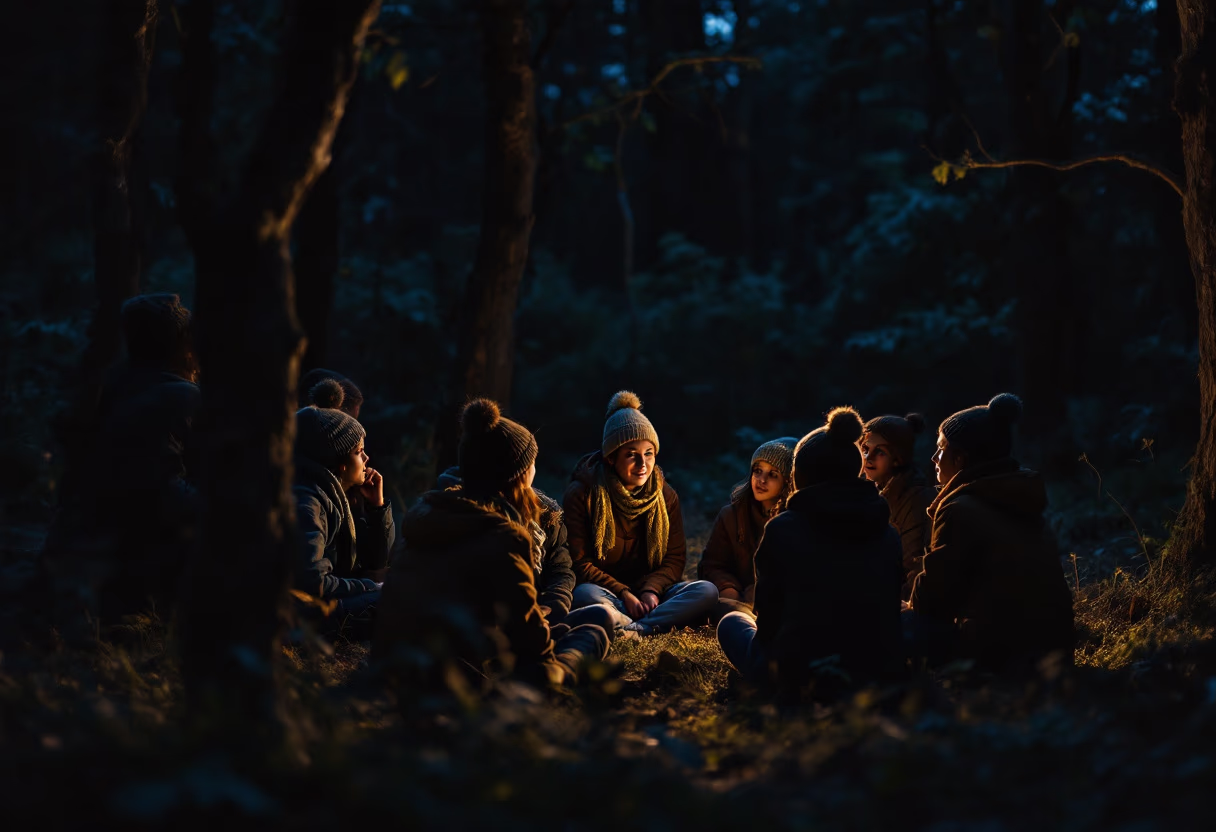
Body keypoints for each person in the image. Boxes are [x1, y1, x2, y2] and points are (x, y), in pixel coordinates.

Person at [374, 399, 612, 689]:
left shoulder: (425, 517)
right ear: (520, 474)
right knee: (596, 624)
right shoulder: (503, 536)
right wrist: (546, 638)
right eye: (531, 462)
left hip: (404, 664)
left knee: (586, 616)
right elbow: (531, 647)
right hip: (467, 676)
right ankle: (551, 689)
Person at [717, 407, 904, 695]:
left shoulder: (783, 529)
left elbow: (768, 620)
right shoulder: (887, 533)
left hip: (798, 672)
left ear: (800, 476)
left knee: (731, 623)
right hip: (871, 671)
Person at [46, 293, 202, 626]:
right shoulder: (184, 396)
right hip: (141, 550)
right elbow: (163, 492)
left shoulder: (108, 385)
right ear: (182, 342)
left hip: (87, 542)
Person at [907, 393, 1074, 671]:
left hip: (1002, 655)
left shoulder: (960, 510)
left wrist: (908, 605)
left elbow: (933, 599)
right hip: (1055, 650)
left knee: (896, 623)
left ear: (960, 458)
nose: (934, 458)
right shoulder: (1017, 497)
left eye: (941, 449)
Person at [564, 391, 718, 635]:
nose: (643, 464)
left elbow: (674, 558)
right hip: (607, 593)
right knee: (584, 594)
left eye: (648, 453)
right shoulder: (583, 494)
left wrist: (651, 590)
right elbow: (579, 563)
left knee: (706, 591)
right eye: (631, 455)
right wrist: (624, 593)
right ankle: (641, 623)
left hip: (649, 596)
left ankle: (633, 628)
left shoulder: (666, 496)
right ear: (612, 458)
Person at [293, 379, 393, 629]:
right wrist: (370, 587)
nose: (367, 458)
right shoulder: (308, 501)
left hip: (314, 609)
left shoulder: (331, 494)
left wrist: (377, 508)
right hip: (302, 619)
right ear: (340, 463)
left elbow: (375, 563)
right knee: (398, 601)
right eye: (359, 451)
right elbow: (313, 583)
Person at [433, 465, 579, 626]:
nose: (532, 470)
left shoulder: (546, 513)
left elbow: (560, 568)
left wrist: (556, 601)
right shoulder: (469, 511)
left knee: (598, 615)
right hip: (491, 622)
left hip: (539, 612)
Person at [700, 437, 799, 620]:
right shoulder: (731, 515)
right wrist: (727, 587)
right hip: (734, 598)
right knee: (703, 597)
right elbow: (712, 564)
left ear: (787, 481)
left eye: (773, 474)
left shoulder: (795, 521)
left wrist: (758, 590)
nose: (761, 480)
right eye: (758, 471)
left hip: (775, 603)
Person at [859, 412, 937, 597]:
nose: (868, 457)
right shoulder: (871, 493)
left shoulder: (914, 499)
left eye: (880, 451)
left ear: (897, 457)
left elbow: (914, 565)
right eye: (865, 449)